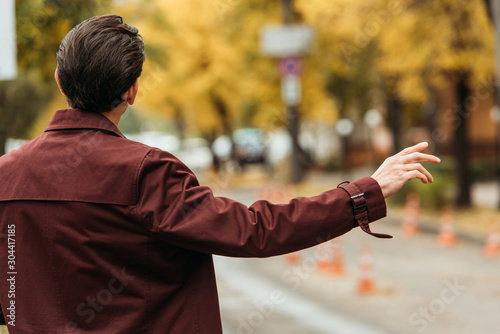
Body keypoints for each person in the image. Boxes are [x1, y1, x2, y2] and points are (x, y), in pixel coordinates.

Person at [0, 15, 440, 334]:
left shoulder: (6, 176)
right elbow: (256, 231)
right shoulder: (146, 172)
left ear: (60, 81)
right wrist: (364, 193)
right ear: (132, 90)